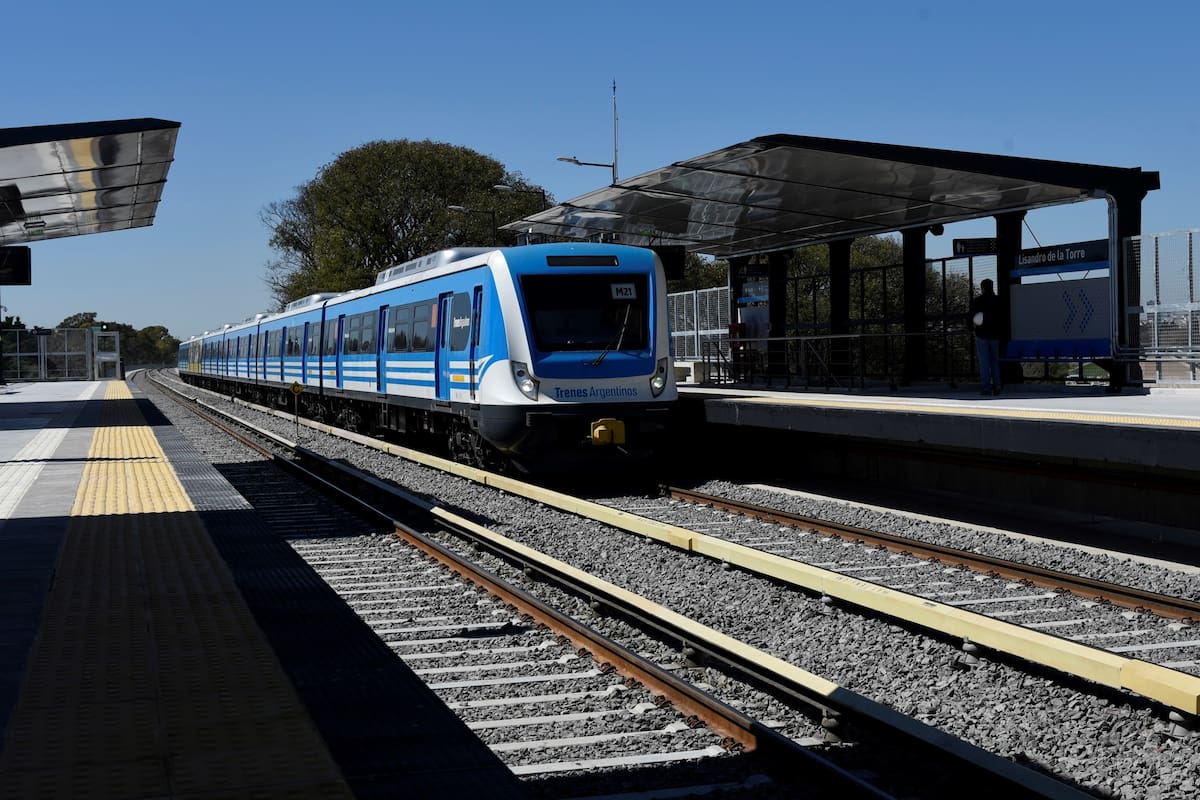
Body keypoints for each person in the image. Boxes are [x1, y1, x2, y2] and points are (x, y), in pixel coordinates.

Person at [969, 279, 1002, 395]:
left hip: (981, 334)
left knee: (984, 362)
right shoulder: (998, 300)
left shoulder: (978, 301)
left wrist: (972, 328)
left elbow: (971, 317)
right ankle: (997, 385)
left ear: (982, 288)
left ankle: (986, 387)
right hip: (995, 335)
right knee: (995, 361)